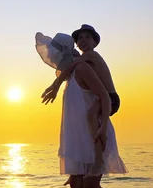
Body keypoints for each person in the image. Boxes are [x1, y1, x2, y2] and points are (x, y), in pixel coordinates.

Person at [35, 32, 145, 188]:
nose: (53, 59)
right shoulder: (72, 75)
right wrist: (58, 84)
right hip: (79, 139)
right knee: (77, 185)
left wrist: (103, 127)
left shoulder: (84, 67)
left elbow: (104, 96)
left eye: (54, 54)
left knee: (91, 187)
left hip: (95, 133)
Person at [42, 24, 118, 177]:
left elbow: (70, 67)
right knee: (89, 119)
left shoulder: (91, 55)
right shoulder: (84, 60)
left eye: (87, 37)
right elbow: (71, 68)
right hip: (103, 97)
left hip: (110, 98)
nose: (83, 40)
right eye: (80, 38)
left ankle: (98, 162)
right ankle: (90, 161)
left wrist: (55, 85)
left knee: (91, 115)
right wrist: (57, 85)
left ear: (95, 42)